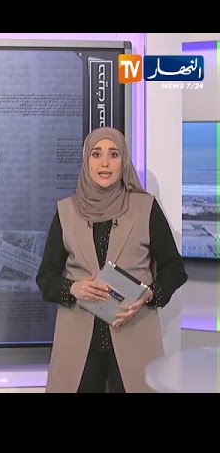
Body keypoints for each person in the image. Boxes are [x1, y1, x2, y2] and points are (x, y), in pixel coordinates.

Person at [36, 127, 187, 393]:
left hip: (136, 336)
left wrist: (150, 293)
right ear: (86, 161)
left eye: (113, 154)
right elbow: (46, 276)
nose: (104, 163)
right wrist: (73, 288)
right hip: (79, 343)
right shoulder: (66, 211)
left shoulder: (145, 207)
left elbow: (174, 268)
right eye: (96, 154)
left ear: (123, 161)